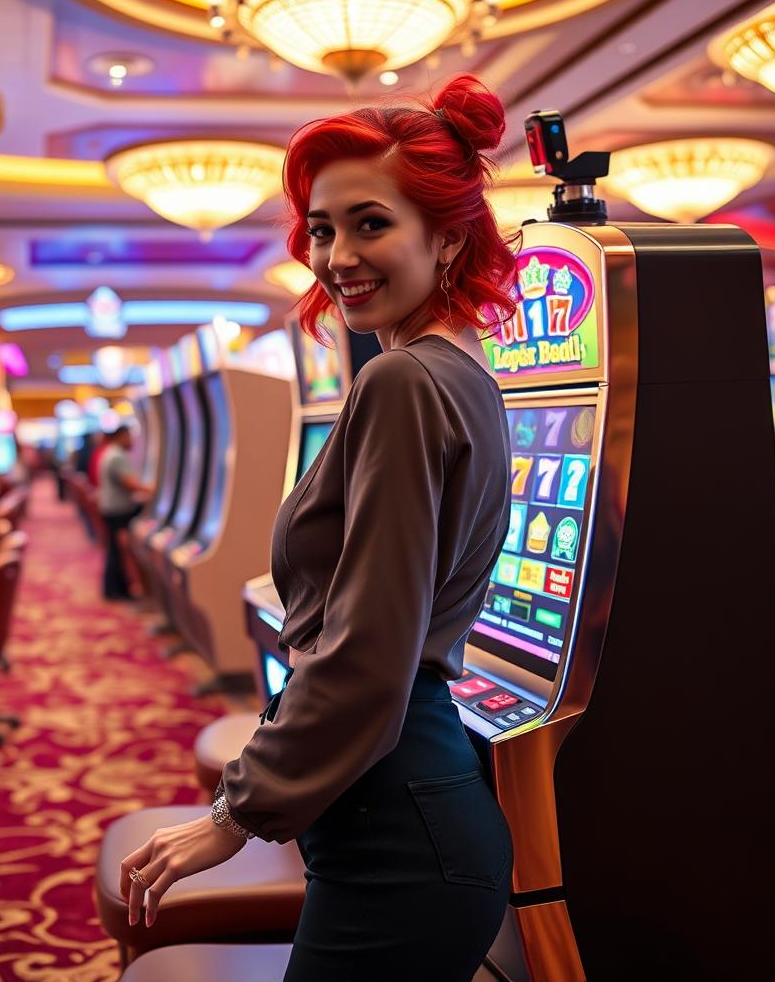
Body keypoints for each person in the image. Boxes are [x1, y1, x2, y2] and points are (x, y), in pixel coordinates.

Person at [120, 75, 519, 980]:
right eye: (323, 228)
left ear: (449, 235)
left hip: (398, 838)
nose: (337, 254)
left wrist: (234, 814)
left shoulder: (404, 380)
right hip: (400, 807)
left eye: (371, 223)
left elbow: (370, 650)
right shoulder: (459, 372)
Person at [97, 424, 145, 600]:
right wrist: (153, 489)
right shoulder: (117, 456)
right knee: (118, 550)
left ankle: (114, 588)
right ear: (121, 436)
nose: (131, 440)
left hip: (110, 507)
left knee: (115, 549)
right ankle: (116, 590)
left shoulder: (109, 453)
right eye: (129, 436)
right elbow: (130, 483)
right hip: (118, 510)